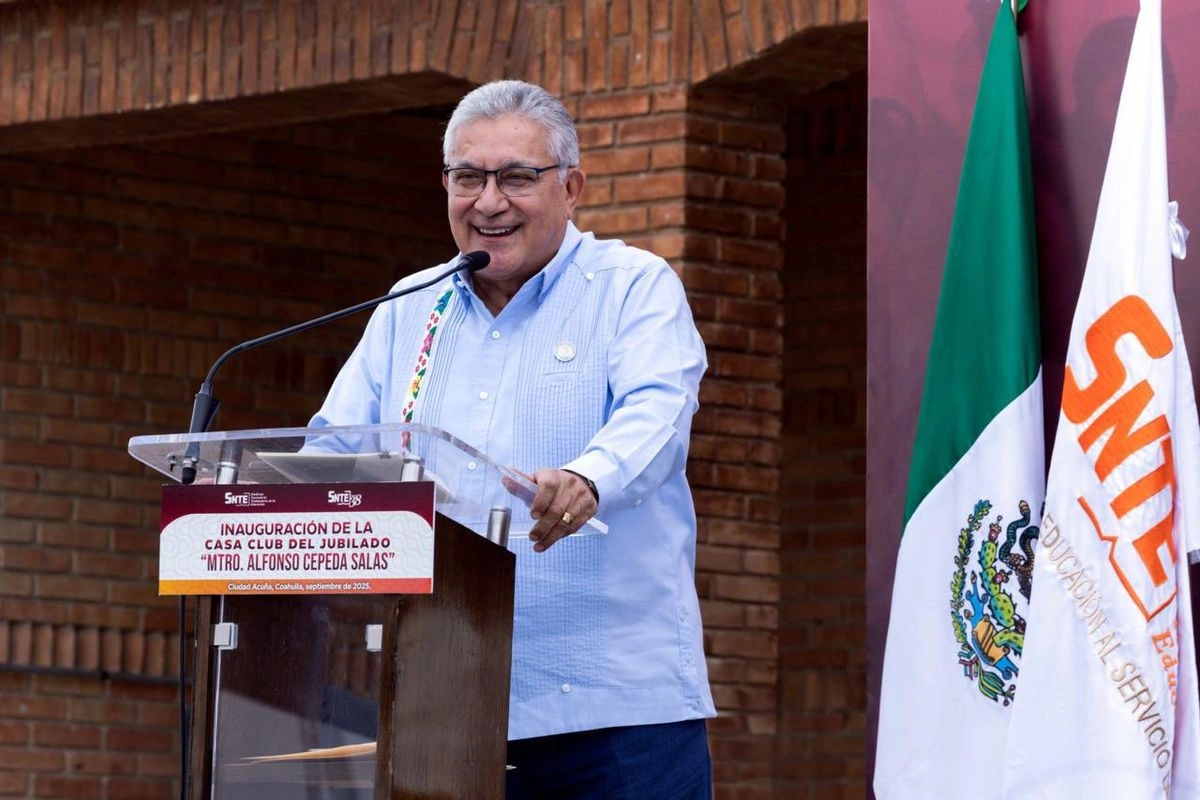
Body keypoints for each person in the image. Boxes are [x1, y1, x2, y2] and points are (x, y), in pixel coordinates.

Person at [309, 79, 715, 798]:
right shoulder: (410, 306)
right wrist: (258, 503)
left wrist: (587, 479)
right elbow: (333, 454)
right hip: (447, 705)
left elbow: (657, 416)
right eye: (468, 177)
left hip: (613, 713)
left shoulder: (632, 287)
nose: (489, 202)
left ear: (571, 188)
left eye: (517, 178)